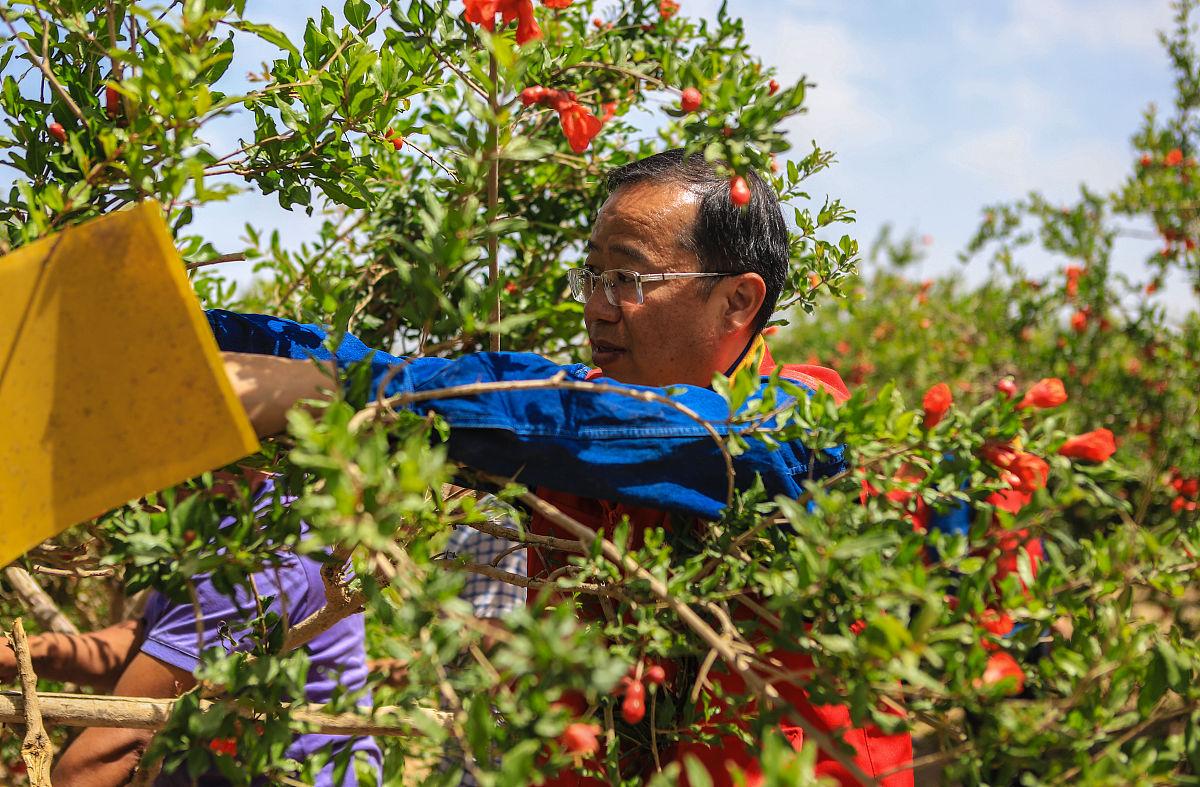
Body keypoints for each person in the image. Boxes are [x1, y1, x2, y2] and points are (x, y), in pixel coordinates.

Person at [209, 149, 912, 785]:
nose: (597, 306)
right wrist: (194, 331)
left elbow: (616, 427)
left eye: (629, 278)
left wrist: (345, 391)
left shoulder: (794, 423)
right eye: (594, 275)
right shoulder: (570, 420)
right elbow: (444, 383)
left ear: (738, 300)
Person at [1, 469, 383, 787]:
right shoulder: (234, 515)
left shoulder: (256, 561)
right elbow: (153, 645)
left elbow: (122, 737)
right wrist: (23, 654)